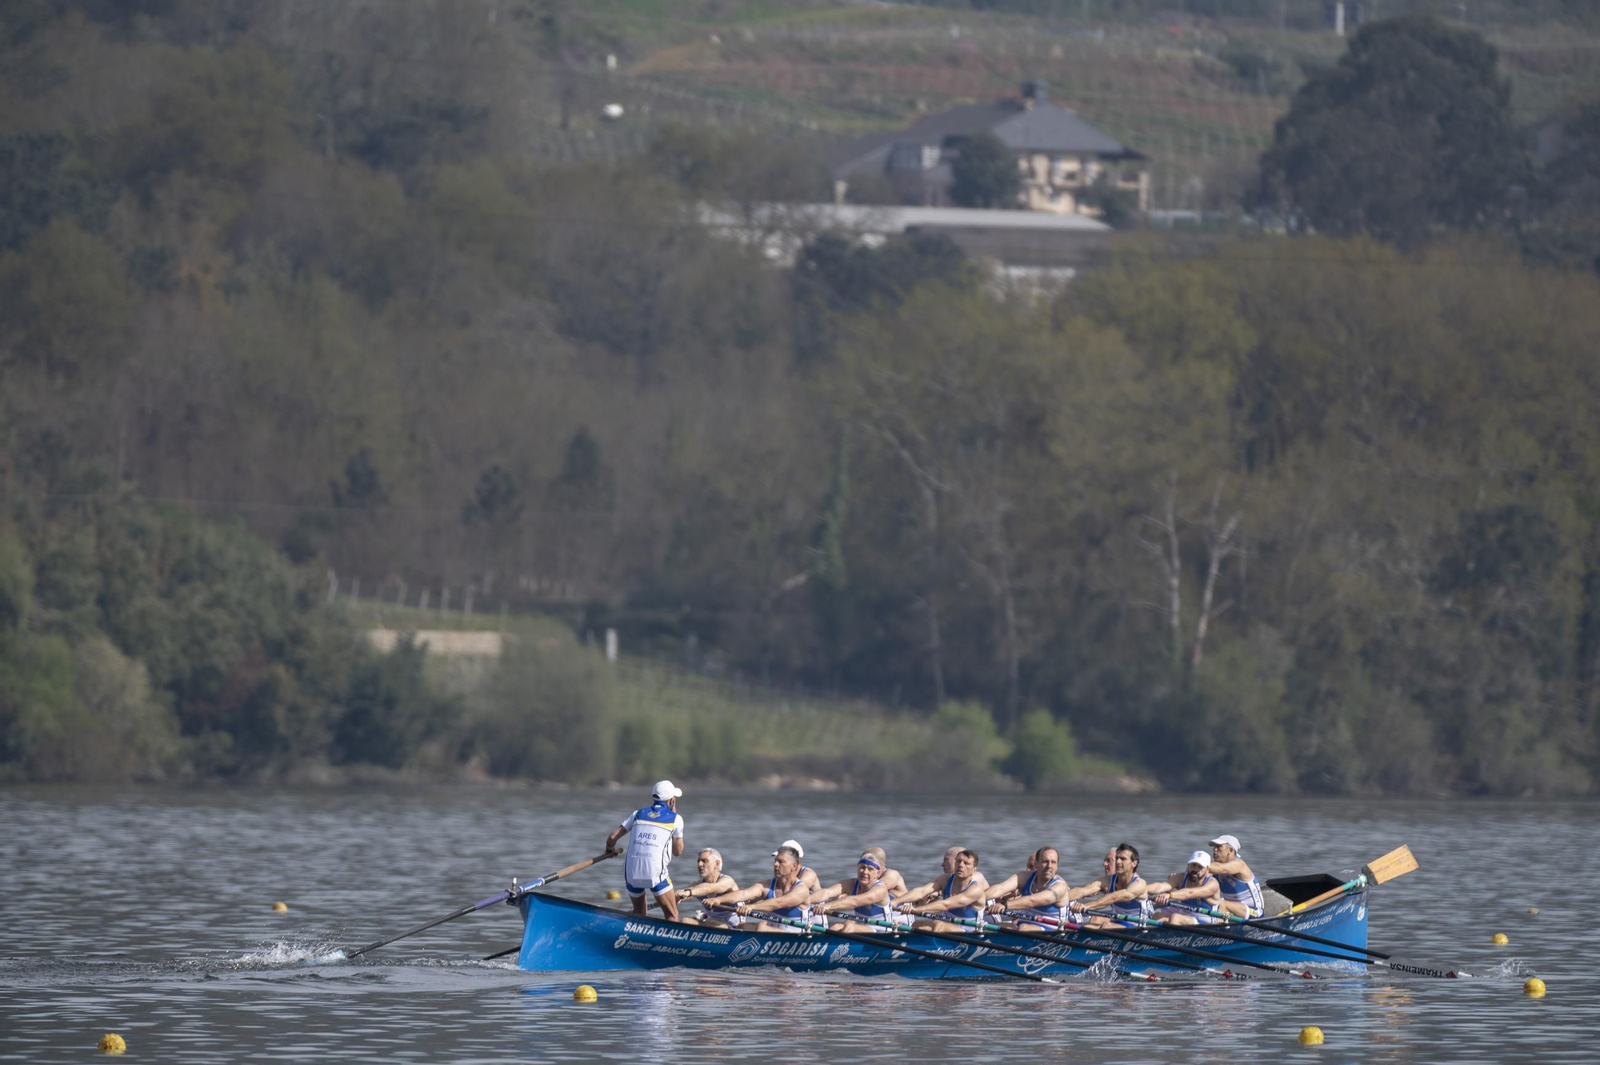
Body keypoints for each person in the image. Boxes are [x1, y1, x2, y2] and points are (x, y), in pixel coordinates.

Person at [604, 780, 685, 921]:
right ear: (672, 801)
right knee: (672, 915)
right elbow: (678, 852)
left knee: (639, 915)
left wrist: (610, 850)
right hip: (655, 873)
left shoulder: (638, 813)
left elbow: (612, 837)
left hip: (631, 872)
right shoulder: (676, 819)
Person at [707, 844, 815, 933]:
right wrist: (718, 900)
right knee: (743, 926)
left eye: (781, 862)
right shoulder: (766, 885)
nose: (776, 864)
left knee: (762, 927)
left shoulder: (801, 890)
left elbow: (778, 903)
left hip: (796, 938)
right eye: (775, 861)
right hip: (772, 937)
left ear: (794, 866)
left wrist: (751, 907)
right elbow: (743, 894)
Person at [897, 849, 990, 932]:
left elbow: (945, 905)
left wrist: (915, 910)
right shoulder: (945, 879)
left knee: (939, 925)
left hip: (969, 931)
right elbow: (921, 891)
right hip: (948, 927)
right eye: (958, 861)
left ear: (974, 870)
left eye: (966, 863)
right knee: (917, 925)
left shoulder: (976, 890)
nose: (961, 865)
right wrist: (895, 902)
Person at [812, 851, 904, 932]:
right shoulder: (851, 884)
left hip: (881, 931)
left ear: (878, 873)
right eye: (862, 867)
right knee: (834, 927)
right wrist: (806, 901)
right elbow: (826, 892)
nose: (865, 872)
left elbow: (855, 901)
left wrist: (827, 906)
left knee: (850, 927)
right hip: (863, 927)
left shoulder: (880, 889)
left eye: (870, 869)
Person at [985, 846, 1070, 930]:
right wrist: (979, 898)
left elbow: (1031, 901)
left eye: (1053, 862)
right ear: (1036, 864)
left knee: (1023, 928)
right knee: (989, 927)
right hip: (1023, 926)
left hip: (1052, 929)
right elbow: (999, 888)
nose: (1049, 866)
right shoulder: (1024, 877)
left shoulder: (1060, 886)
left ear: (1057, 866)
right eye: (1045, 861)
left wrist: (1004, 905)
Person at [1076, 843, 1149, 928]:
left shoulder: (1139, 884)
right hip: (1118, 920)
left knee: (1106, 926)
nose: (1118, 862)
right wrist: (1063, 897)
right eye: (1117, 858)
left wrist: (1085, 906)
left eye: (1123, 859)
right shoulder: (1109, 880)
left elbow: (1113, 897)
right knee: (1095, 918)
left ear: (1134, 863)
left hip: (1137, 925)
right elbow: (1082, 891)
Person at [1146, 850, 1223, 926]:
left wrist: (1169, 895)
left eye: (1200, 867)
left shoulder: (1212, 884)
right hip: (1185, 919)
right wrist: (1142, 890)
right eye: (1193, 865)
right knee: (1156, 916)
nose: (1195, 869)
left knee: (1176, 918)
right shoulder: (1181, 878)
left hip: (1206, 924)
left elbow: (1191, 893)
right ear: (1188, 866)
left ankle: (1172, 937)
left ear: (1207, 870)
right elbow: (1161, 886)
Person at [675, 848, 739, 925]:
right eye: (698, 861)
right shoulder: (697, 885)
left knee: (710, 922)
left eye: (705, 861)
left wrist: (689, 892)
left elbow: (709, 888)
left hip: (733, 928)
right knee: (685, 921)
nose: (699, 865)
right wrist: (676, 896)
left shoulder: (728, 881)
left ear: (717, 864)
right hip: (711, 926)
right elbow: (686, 891)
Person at [1207, 834, 1265, 918]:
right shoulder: (1213, 869)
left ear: (1230, 850)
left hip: (1255, 913)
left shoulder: (1239, 864)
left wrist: (1197, 865)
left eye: (1219, 847)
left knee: (1221, 903)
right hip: (1234, 913)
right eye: (1214, 847)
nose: (1214, 850)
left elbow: (1221, 869)